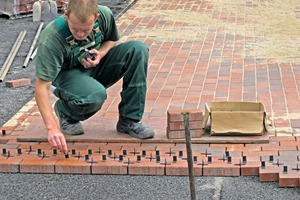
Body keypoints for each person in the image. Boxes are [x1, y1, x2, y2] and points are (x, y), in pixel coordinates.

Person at [34, 0, 155, 154]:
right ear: (66, 15)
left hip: (94, 66)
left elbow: (112, 40)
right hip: (65, 76)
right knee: (95, 96)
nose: (80, 34)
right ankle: (65, 112)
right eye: (75, 29)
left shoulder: (104, 14)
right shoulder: (52, 38)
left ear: (96, 17)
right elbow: (41, 87)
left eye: (85, 30)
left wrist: (101, 53)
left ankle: (129, 120)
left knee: (138, 50)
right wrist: (52, 128)